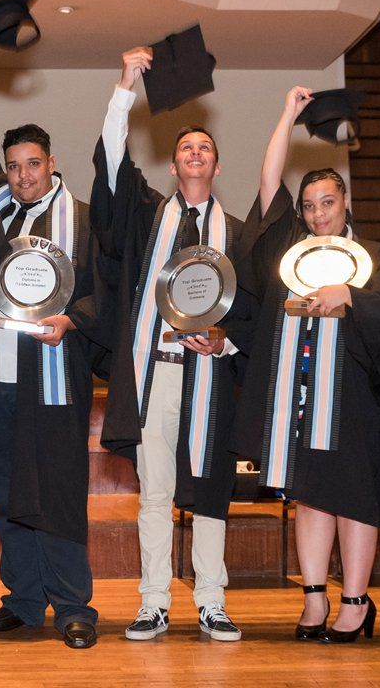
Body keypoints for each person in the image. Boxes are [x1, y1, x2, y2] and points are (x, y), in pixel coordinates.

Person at [0, 37, 108, 649]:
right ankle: (26, 599)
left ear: (52, 163)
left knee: (56, 493)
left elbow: (103, 294)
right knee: (6, 497)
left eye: (32, 164)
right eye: (13, 166)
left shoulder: (83, 221)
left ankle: (72, 603)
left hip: (51, 376)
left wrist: (75, 322)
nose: (23, 175)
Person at [231, 87, 380, 644]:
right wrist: (286, 113)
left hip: (354, 398)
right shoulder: (291, 249)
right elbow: (267, 182)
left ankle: (355, 603)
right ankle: (313, 600)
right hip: (300, 396)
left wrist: (351, 296)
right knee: (307, 495)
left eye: (326, 202)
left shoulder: (377, 256)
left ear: (345, 202)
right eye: (309, 205)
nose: (316, 213)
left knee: (353, 497)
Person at [90, 45, 249, 643]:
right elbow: (110, 163)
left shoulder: (237, 232)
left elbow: (253, 310)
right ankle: (154, 600)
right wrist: (125, 84)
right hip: (154, 374)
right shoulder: (148, 219)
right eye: (186, 146)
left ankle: (211, 599)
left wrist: (226, 340)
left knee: (209, 491)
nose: (194, 153)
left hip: (210, 376)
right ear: (175, 162)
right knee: (154, 493)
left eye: (204, 147)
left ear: (215, 163)